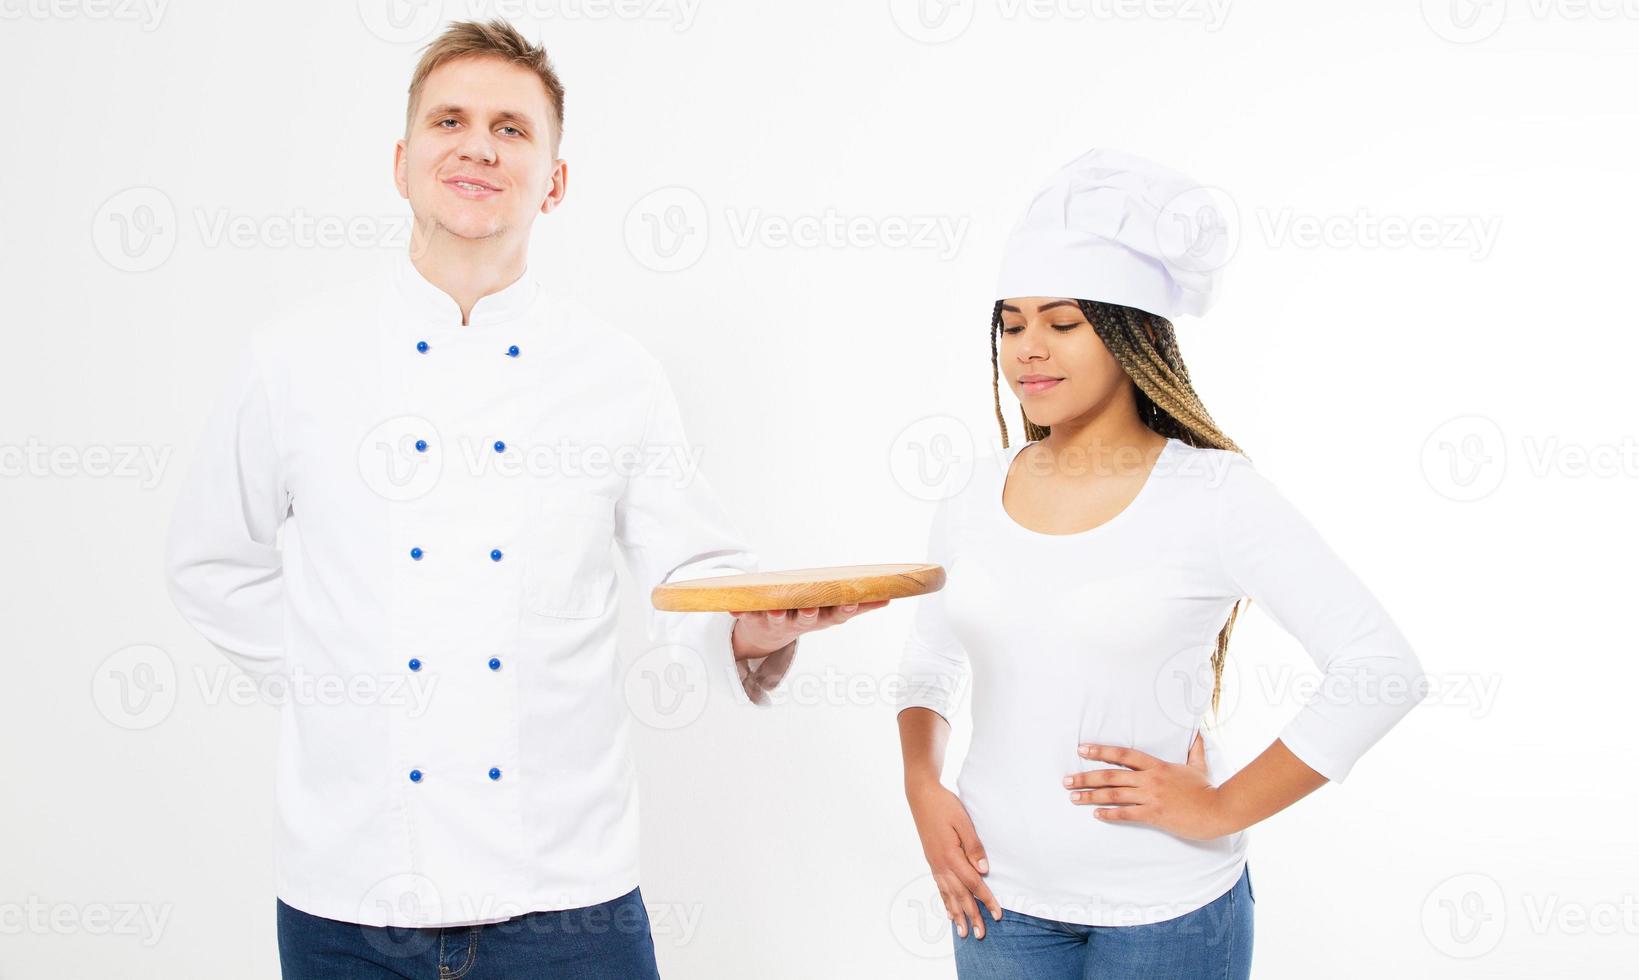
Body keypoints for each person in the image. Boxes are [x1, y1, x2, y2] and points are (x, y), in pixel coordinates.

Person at [163, 19, 881, 978]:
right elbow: (213, 561)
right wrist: (343, 679)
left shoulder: (616, 373)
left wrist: (753, 626)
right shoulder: (292, 358)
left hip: (567, 903)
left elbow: (691, 572)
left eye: (512, 129)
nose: (477, 146)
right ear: (401, 160)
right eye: (448, 120)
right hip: (349, 894)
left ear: (554, 178)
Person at [895, 148, 1426, 979]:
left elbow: (1381, 669)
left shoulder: (1213, 494)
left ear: (1130, 333)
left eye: (1062, 322)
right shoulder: (974, 488)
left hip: (1164, 918)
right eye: (1011, 322)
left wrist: (1222, 807)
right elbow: (926, 665)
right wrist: (922, 789)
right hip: (998, 900)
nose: (1028, 348)